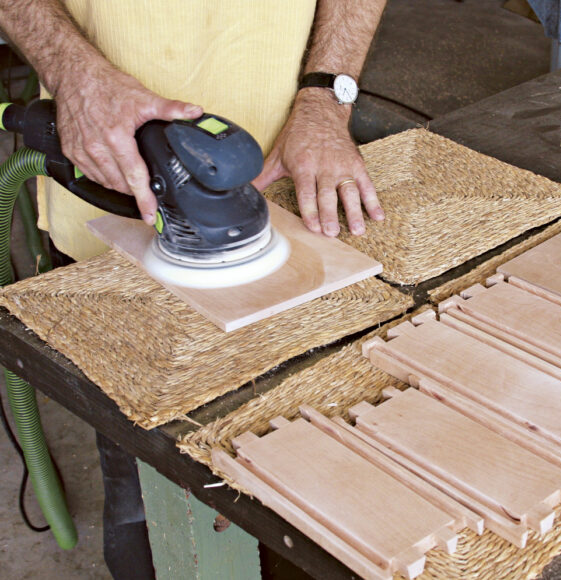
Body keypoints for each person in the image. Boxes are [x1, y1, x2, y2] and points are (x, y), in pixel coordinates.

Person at [0, 1, 387, 577]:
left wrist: (326, 94)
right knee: (149, 483)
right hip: (101, 149)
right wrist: (71, 73)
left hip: (288, 156)